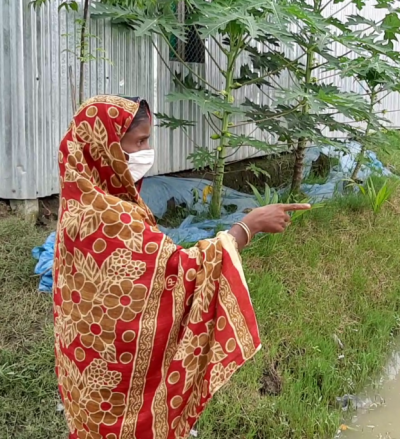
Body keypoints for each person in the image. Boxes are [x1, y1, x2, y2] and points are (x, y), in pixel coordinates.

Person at [53, 95, 309, 439]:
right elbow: (179, 272)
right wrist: (249, 226)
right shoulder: (109, 216)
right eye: (140, 141)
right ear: (106, 147)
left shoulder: (83, 199)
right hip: (113, 376)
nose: (147, 150)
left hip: (84, 367)